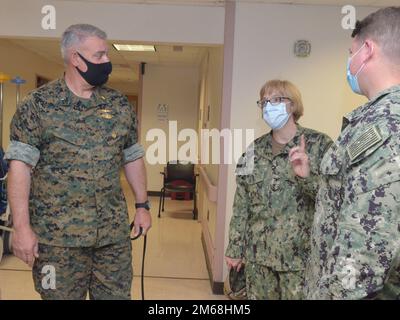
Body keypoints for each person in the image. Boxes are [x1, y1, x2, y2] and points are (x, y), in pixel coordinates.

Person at [4, 24, 151, 300]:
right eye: (99, 56)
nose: (107, 62)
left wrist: (142, 205)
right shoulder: (38, 105)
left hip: (112, 238)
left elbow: (132, 156)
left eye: (107, 55)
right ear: (75, 58)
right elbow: (19, 168)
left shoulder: (119, 105)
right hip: (58, 242)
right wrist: (21, 229)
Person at [290, 7, 400, 299]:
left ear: (366, 50)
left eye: (350, 52)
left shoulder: (385, 126)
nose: (348, 62)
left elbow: (364, 259)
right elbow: (352, 199)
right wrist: (311, 178)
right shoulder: (376, 119)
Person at [225, 80, 332, 300]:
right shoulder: (253, 151)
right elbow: (241, 204)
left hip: (300, 260)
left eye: (276, 99)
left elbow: (333, 200)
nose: (268, 106)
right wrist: (235, 248)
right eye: (264, 102)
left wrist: (307, 177)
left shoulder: (319, 145)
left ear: (292, 106)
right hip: (258, 259)